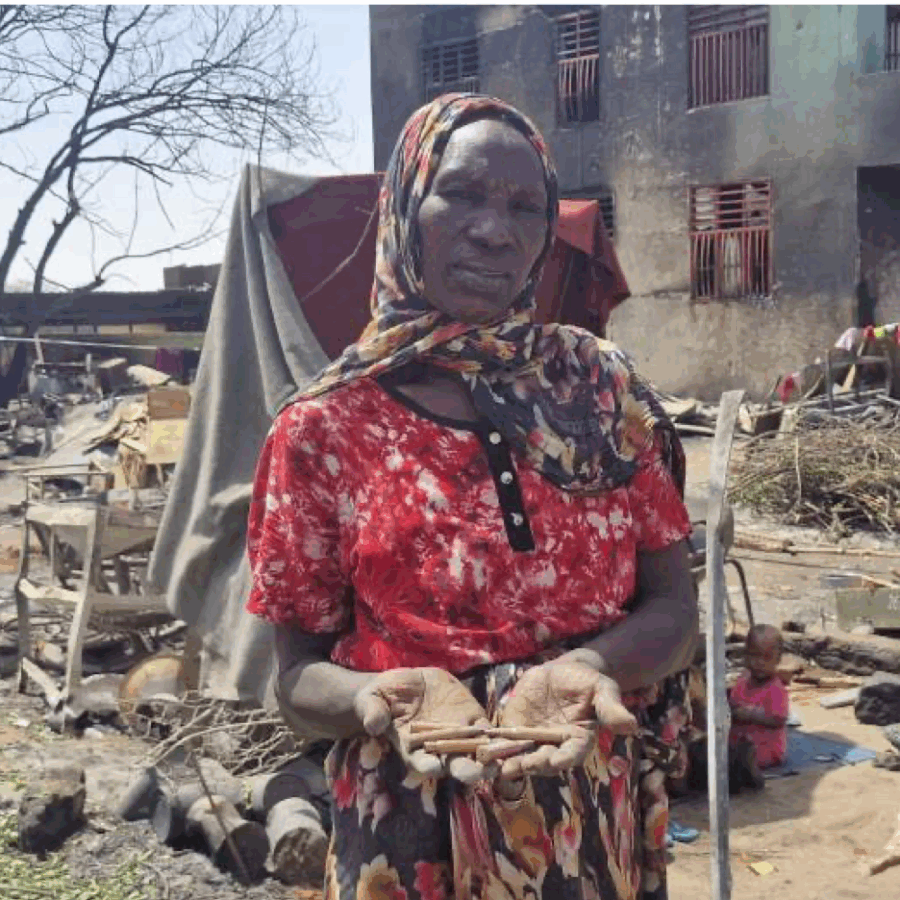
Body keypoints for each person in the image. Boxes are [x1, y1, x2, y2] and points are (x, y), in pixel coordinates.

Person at [247, 93, 698, 900]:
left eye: (526, 206)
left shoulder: (599, 389)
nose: (496, 229)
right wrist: (381, 696)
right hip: (406, 827)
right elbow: (296, 679)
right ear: (403, 204)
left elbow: (673, 609)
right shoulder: (322, 428)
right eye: (460, 193)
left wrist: (589, 667)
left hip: (585, 809)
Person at [729, 624, 789, 771]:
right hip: (740, 742)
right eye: (754, 656)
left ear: (778, 660)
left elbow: (778, 719)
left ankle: (747, 766)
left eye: (767, 657)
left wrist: (750, 714)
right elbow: (732, 704)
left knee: (746, 759)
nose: (760, 662)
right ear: (745, 655)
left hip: (766, 749)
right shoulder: (742, 680)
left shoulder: (776, 688)